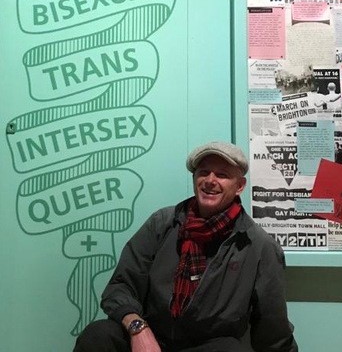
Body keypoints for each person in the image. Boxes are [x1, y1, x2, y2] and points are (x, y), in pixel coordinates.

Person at [73, 141, 298, 352]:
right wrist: (137, 328)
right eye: (203, 172)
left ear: (239, 186)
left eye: (222, 175)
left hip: (207, 346)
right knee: (98, 335)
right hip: (151, 337)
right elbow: (120, 287)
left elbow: (272, 326)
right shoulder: (162, 224)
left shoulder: (259, 246)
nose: (210, 180)